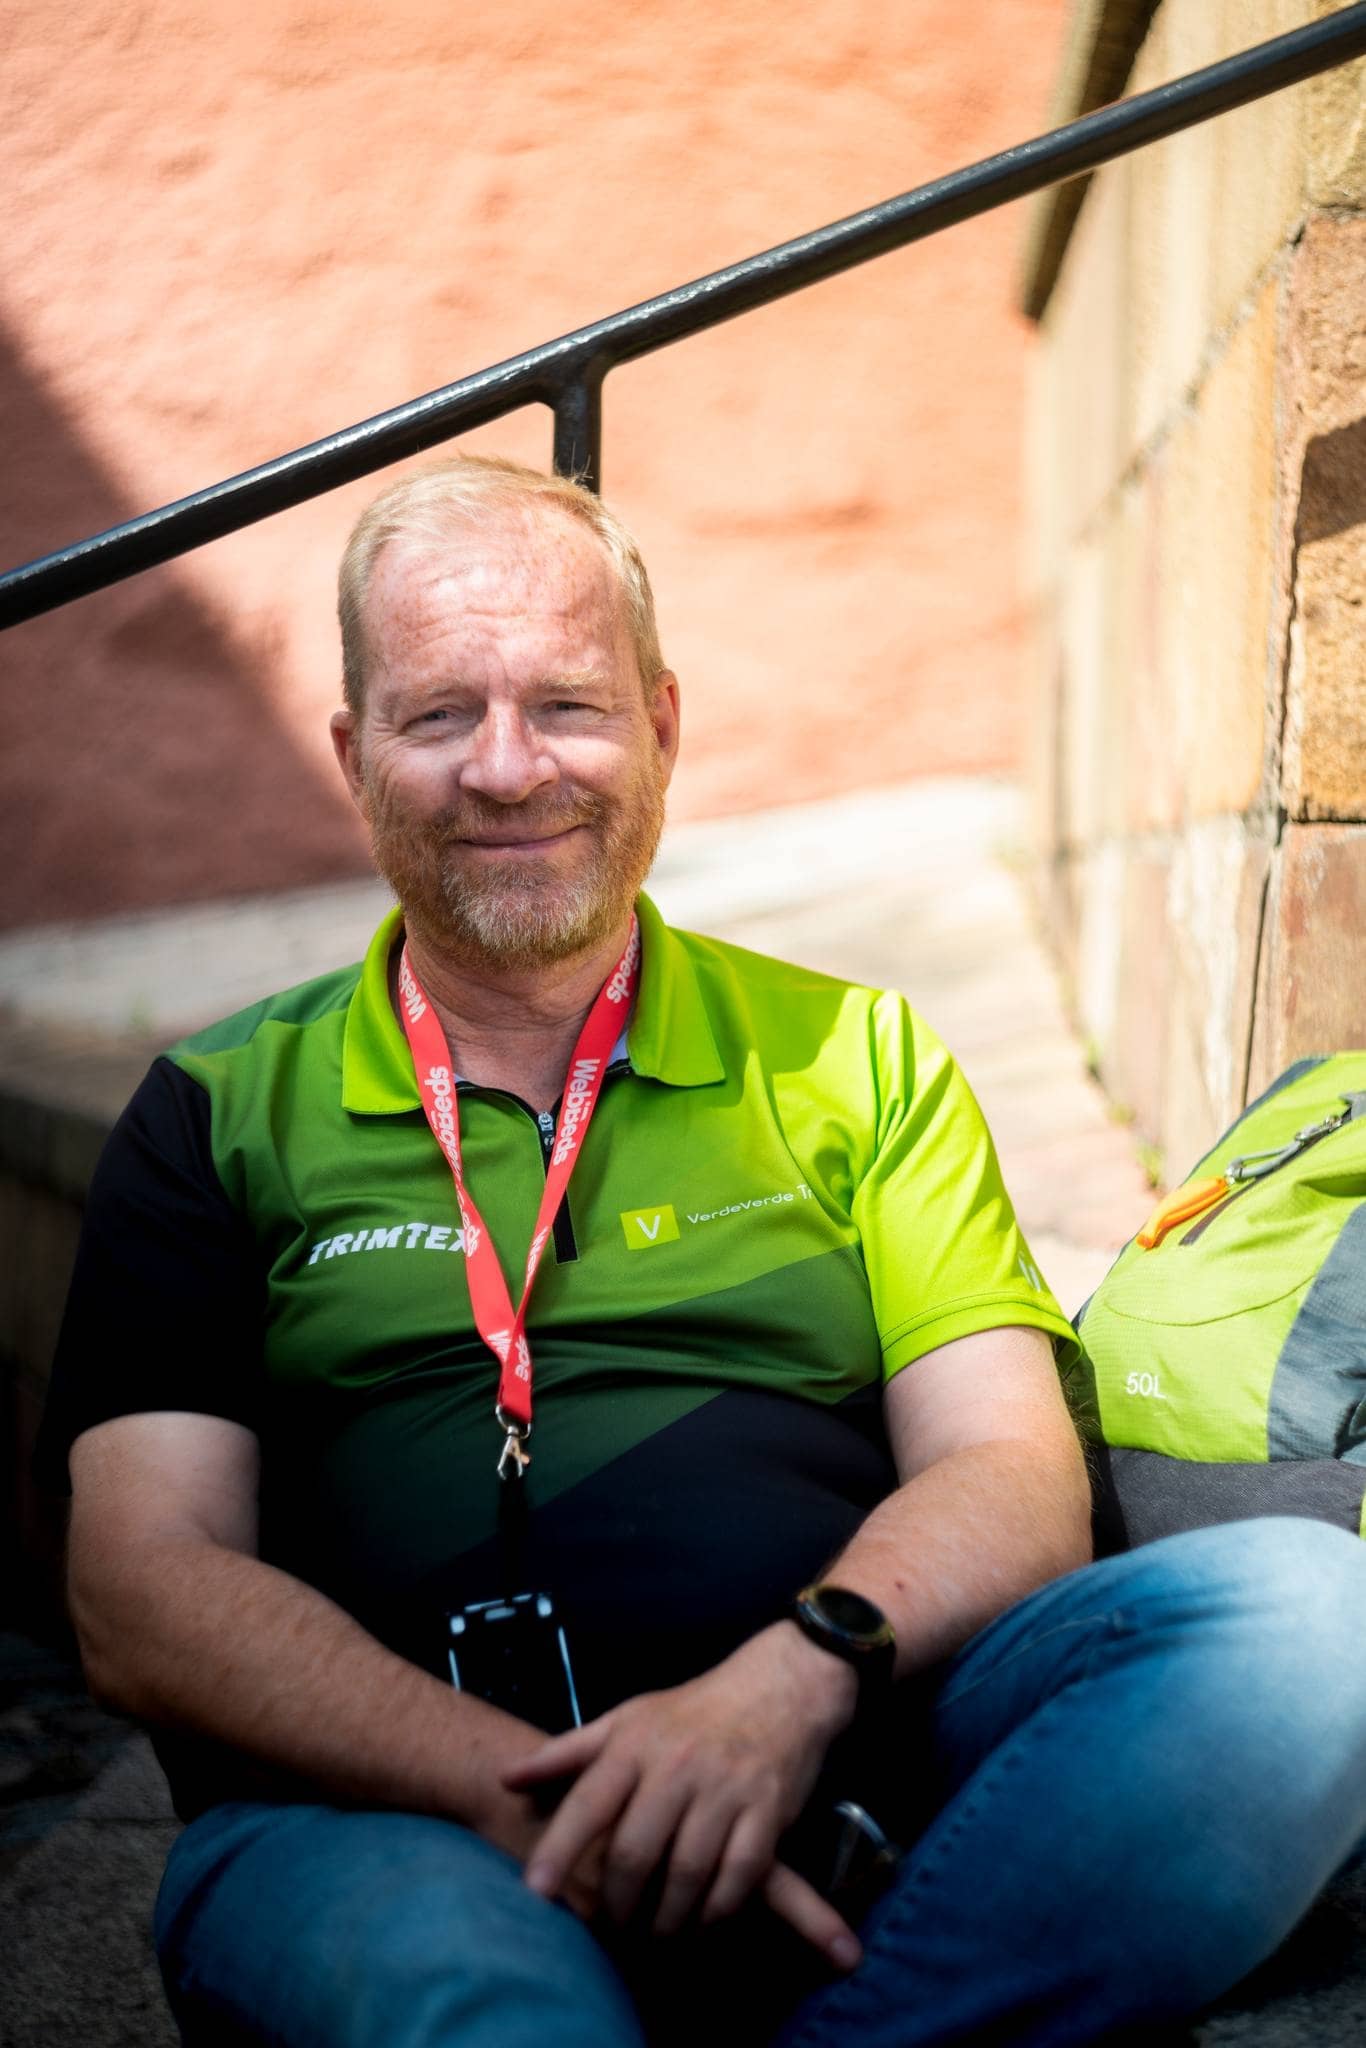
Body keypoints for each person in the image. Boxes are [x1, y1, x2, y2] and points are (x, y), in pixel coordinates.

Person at [38, 454, 1366, 2048]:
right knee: (486, 2009)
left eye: (569, 707)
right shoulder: (213, 1111)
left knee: (1314, 1616)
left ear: (662, 726)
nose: (508, 769)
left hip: (852, 1758)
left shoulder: (855, 1056)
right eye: (438, 713)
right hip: (382, 1823)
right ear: (353, 753)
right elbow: (140, 1587)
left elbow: (1013, 1469)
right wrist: (537, 1799)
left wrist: (779, 1697)